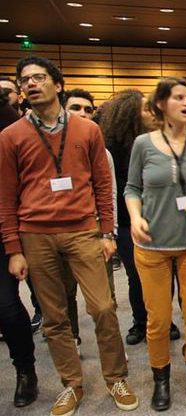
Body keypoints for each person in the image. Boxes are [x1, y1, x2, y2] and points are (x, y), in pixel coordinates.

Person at [0, 55, 137, 416]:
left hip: (83, 231)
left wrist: (108, 232)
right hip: (35, 235)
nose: (31, 84)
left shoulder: (87, 130)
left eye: (39, 77)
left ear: (57, 85)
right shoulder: (10, 136)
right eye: (24, 80)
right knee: (54, 317)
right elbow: (6, 196)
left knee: (103, 307)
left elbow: (104, 185)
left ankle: (116, 378)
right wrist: (13, 249)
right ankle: (72, 385)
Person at [125, 77, 186, 411]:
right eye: (179, 97)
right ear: (161, 103)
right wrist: (135, 217)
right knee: (158, 321)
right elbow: (132, 188)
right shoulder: (143, 144)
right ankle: (161, 380)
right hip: (152, 245)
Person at [102, 89, 170, 346]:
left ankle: (164, 321)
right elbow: (120, 188)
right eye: (145, 108)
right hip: (128, 221)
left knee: (162, 275)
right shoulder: (112, 147)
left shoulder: (158, 141)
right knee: (136, 276)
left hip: (160, 218)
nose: (152, 112)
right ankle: (141, 322)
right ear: (129, 114)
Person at [62, 88, 117, 356]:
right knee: (64, 293)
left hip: (93, 230)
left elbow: (110, 193)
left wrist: (110, 233)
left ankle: (112, 346)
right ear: (63, 110)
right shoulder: (49, 146)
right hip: (55, 230)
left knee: (105, 298)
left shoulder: (102, 152)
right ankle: (72, 338)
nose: (83, 113)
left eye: (88, 109)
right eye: (75, 108)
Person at [0, 86, 38, 409]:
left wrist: (13, 246)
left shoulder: (8, 123)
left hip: (4, 226)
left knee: (7, 307)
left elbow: (11, 188)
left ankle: (25, 368)